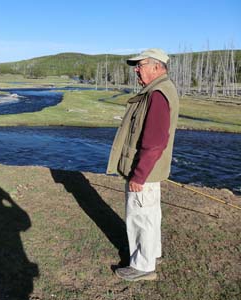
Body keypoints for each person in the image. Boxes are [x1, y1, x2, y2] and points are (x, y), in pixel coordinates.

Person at [106, 48, 179, 281]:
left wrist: (139, 175)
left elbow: (155, 142)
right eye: (136, 66)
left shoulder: (157, 94)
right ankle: (152, 254)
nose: (136, 70)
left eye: (141, 65)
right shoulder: (157, 90)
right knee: (150, 214)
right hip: (149, 170)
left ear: (157, 67)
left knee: (140, 216)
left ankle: (142, 267)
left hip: (144, 172)